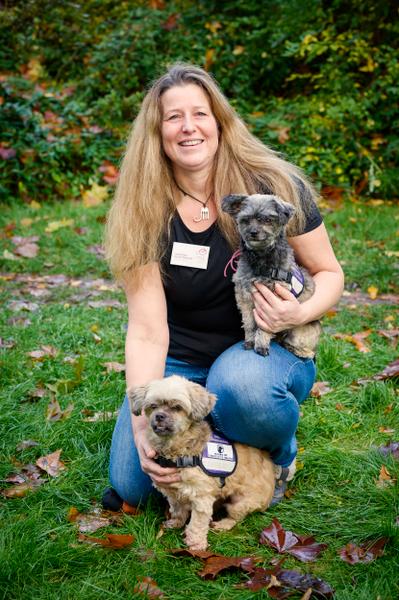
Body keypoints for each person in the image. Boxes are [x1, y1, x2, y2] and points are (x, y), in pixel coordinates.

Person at [102, 63, 344, 512]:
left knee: (244, 391)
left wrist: (297, 314)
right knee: (137, 485)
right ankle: (221, 429)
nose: (188, 127)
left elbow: (331, 274)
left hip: (260, 351)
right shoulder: (143, 208)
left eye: (200, 113)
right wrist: (141, 429)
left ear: (220, 122)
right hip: (180, 359)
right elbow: (148, 331)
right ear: (157, 131)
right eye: (173, 117)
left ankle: (276, 456)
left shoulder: (272, 185)